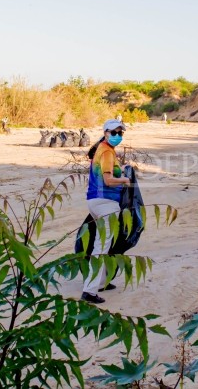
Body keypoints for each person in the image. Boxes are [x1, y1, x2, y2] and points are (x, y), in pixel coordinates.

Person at [82, 119, 131, 304]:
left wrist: (122, 170)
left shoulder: (102, 149)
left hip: (96, 201)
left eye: (121, 133)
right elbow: (109, 180)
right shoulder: (107, 152)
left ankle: (101, 282)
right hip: (106, 203)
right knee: (101, 248)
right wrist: (126, 180)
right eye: (114, 132)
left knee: (103, 243)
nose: (118, 135)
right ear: (105, 132)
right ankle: (89, 290)